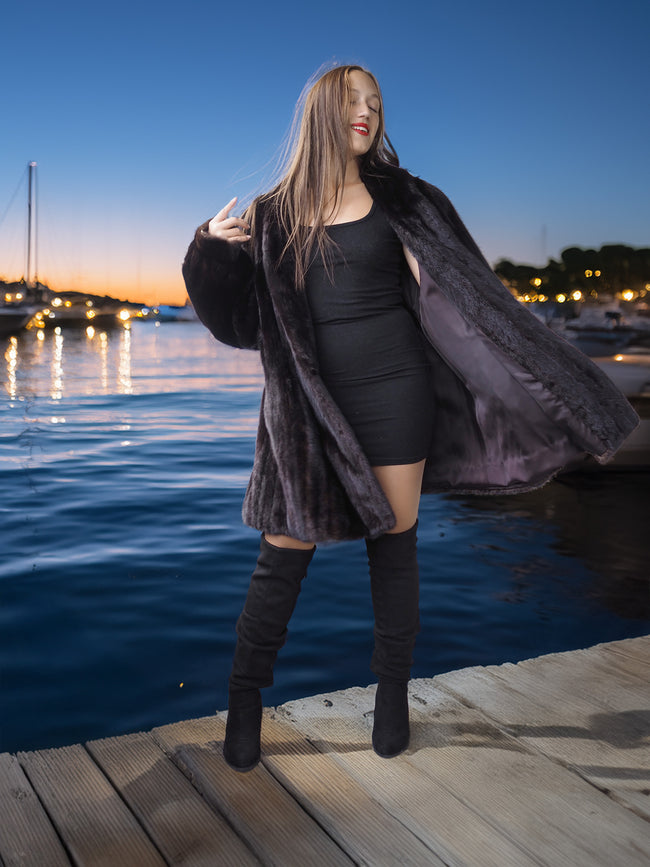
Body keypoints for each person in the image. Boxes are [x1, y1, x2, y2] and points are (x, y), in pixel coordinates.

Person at [183, 65, 637, 772]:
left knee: (395, 548)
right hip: (306, 410)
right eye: (352, 100)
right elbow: (242, 325)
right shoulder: (272, 215)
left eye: (375, 102)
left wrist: (539, 376)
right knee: (281, 557)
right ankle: (246, 700)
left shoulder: (408, 199)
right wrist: (209, 252)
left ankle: (391, 696)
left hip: (399, 390)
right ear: (319, 112)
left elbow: (471, 298)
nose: (366, 111)